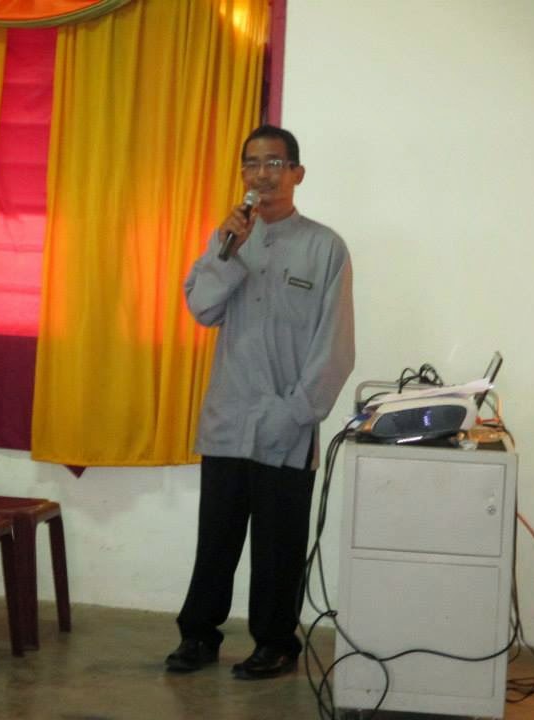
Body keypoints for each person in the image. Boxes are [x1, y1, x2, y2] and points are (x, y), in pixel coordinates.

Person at [166, 126, 355, 680]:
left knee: (278, 546)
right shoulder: (228, 238)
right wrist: (228, 251)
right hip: (228, 418)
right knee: (215, 541)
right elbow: (202, 308)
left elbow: (336, 347)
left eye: (274, 163)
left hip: (286, 423)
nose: (262, 174)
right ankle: (198, 636)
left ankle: (275, 643)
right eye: (252, 164)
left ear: (297, 173)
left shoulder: (325, 247)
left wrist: (296, 412)